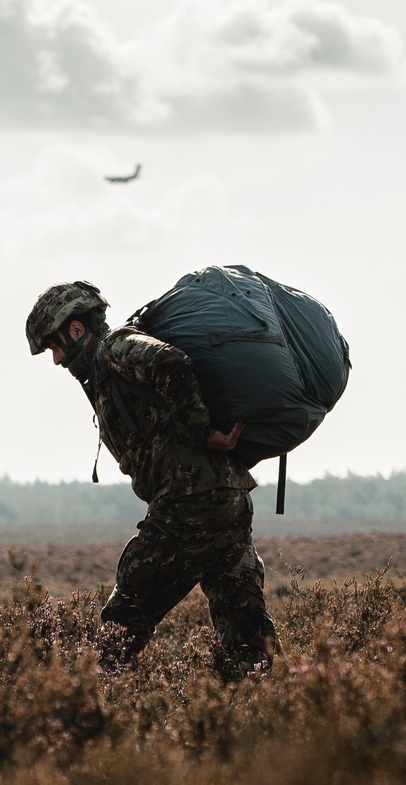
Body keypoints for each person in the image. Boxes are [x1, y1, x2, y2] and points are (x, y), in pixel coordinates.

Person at [26, 280, 281, 680]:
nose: (57, 359)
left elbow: (172, 363)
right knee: (246, 630)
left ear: (77, 329)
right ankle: (276, 713)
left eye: (55, 346)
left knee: (125, 615)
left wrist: (201, 432)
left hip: (190, 503)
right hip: (226, 500)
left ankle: (83, 709)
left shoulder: (115, 348)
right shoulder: (103, 368)